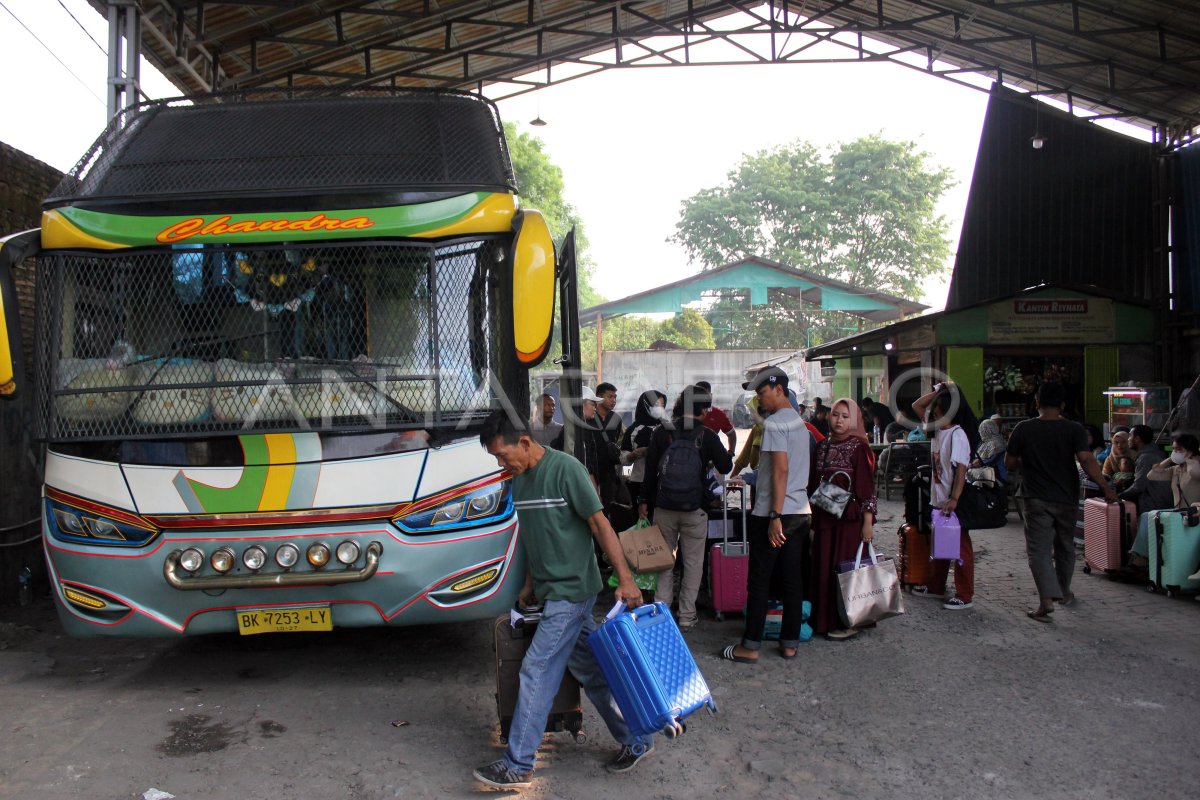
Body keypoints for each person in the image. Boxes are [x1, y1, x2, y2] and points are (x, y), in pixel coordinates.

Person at [472, 411, 653, 790]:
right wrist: (528, 583)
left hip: (572, 592)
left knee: (537, 670)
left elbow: (600, 524)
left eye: (504, 456)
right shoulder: (519, 482)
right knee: (592, 672)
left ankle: (518, 763)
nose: (502, 465)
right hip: (554, 591)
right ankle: (636, 738)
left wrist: (625, 579)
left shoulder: (566, 470)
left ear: (524, 442)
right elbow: (535, 536)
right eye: (496, 460)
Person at [720, 366, 811, 662]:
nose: (760, 399)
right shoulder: (799, 422)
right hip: (800, 511)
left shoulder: (774, 424)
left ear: (779, 390)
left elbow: (781, 471)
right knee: (791, 579)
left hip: (775, 514)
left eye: (762, 393)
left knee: (759, 580)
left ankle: (750, 646)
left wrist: (774, 516)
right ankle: (789, 642)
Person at [1006, 382, 1117, 621]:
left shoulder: (1023, 428)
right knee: (1065, 545)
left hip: (1035, 498)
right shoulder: (1074, 429)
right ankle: (1064, 592)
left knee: (1039, 549)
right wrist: (1106, 487)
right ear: (1063, 405)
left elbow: (1010, 463)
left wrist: (1029, 461)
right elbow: (1087, 461)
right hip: (1067, 497)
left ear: (1036, 403)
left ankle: (1046, 600)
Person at [639, 386, 733, 631]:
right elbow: (725, 466)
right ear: (703, 409)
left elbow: (650, 472)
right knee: (692, 563)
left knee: (663, 561)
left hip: (664, 507)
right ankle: (687, 615)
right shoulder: (707, 434)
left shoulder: (661, 432)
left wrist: (643, 502)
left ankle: (661, 611)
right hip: (695, 508)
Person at [806, 398, 878, 640]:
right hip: (825, 519)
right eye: (836, 414)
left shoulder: (859, 448)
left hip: (849, 522)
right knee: (823, 569)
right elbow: (813, 485)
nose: (839, 420)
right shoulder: (822, 447)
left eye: (845, 416)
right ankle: (823, 621)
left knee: (845, 571)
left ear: (854, 420)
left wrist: (867, 523)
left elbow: (867, 489)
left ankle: (847, 621)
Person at [912, 382, 981, 611]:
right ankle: (936, 587)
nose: (931, 409)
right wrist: (940, 390)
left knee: (961, 549)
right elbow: (916, 405)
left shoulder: (958, 435)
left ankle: (964, 594)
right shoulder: (937, 431)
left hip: (953, 502)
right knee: (941, 544)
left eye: (937, 406)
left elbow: (961, 471)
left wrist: (954, 499)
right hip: (939, 499)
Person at [1126, 432, 1200, 567]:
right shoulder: (1177, 469)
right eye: (1174, 450)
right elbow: (1152, 475)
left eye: (1179, 450)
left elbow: (1194, 473)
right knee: (1147, 516)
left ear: (1189, 451)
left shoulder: (1195, 466)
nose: (1176, 452)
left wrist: (1190, 459)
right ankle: (1140, 555)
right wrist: (1171, 459)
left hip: (1194, 512)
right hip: (1177, 511)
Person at [620, 389, 666, 507]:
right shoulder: (633, 430)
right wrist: (633, 455)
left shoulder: (667, 429)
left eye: (662, 405)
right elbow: (623, 459)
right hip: (638, 482)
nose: (659, 408)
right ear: (646, 405)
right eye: (656, 405)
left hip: (663, 482)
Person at [1118, 425, 1172, 515]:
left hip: (1153, 507)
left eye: (1130, 436)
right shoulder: (1155, 453)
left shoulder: (1146, 458)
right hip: (1161, 504)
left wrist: (1119, 495)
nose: (1128, 439)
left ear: (1137, 439)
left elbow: (1139, 486)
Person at [696, 381, 737, 459]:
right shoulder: (686, 413)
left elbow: (731, 434)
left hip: (711, 461)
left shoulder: (718, 414)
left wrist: (731, 453)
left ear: (710, 396)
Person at [973, 415, 1009, 483]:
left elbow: (991, 460)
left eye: (983, 430)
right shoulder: (983, 443)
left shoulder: (997, 443)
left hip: (996, 475)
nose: (981, 432)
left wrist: (979, 463)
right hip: (984, 472)